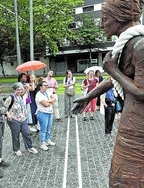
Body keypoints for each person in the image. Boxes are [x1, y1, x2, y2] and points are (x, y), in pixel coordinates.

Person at [72, 0, 144, 186]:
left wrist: (113, 70)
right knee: (118, 178)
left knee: (128, 180)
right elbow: (116, 80)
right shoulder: (128, 44)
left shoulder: (140, 46)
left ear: (119, 18)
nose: (101, 24)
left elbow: (142, 93)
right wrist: (90, 96)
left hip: (138, 127)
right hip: (131, 122)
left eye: (105, 19)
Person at [4, 82, 38, 156]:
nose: (19, 91)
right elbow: (4, 108)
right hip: (14, 119)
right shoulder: (11, 98)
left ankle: (29, 147)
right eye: (18, 90)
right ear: (14, 90)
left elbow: (25, 104)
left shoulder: (21, 96)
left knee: (27, 133)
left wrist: (25, 111)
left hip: (23, 118)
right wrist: (8, 114)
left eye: (21, 90)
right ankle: (16, 149)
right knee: (15, 135)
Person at [35, 81, 56, 151]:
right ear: (41, 87)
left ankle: (48, 140)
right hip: (42, 113)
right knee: (43, 129)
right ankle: (42, 143)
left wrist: (48, 101)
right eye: (45, 85)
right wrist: (50, 102)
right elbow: (46, 105)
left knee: (48, 128)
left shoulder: (48, 92)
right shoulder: (38, 95)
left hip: (49, 112)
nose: (46, 86)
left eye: (47, 85)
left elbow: (54, 98)